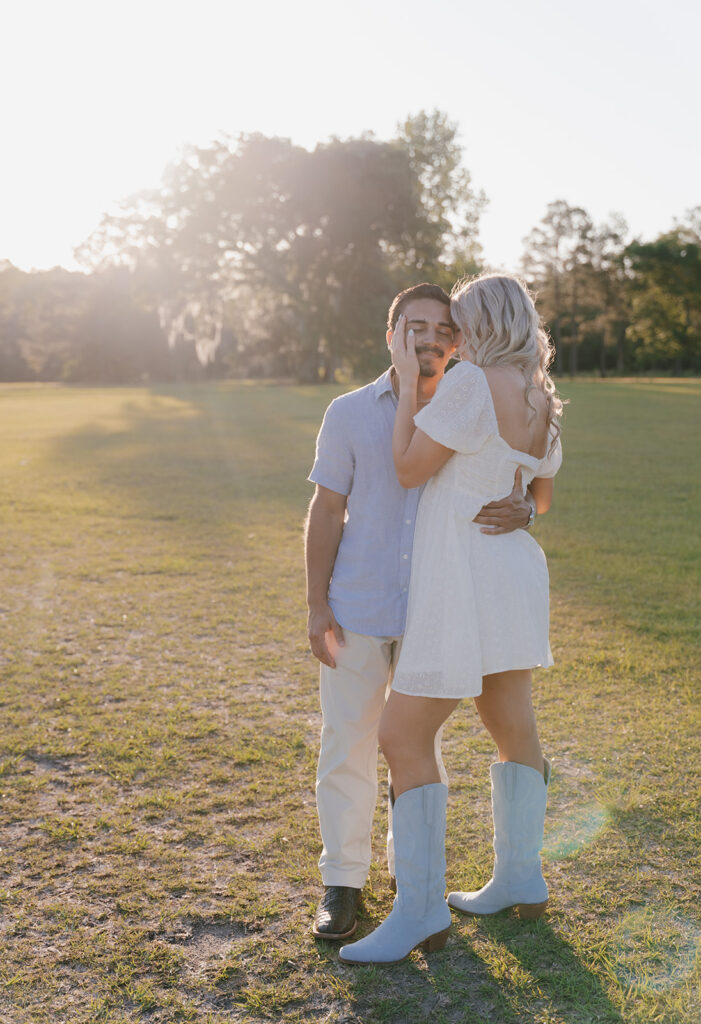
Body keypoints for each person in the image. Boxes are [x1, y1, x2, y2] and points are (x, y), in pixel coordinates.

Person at [338, 272, 563, 965]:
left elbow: (408, 468)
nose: (452, 337)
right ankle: (520, 877)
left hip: (461, 577)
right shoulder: (541, 396)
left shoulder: (468, 383)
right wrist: (523, 508)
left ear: (486, 325)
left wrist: (408, 382)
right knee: (510, 724)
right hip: (512, 572)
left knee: (402, 733)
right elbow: (541, 498)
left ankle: (420, 911)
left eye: (460, 323)